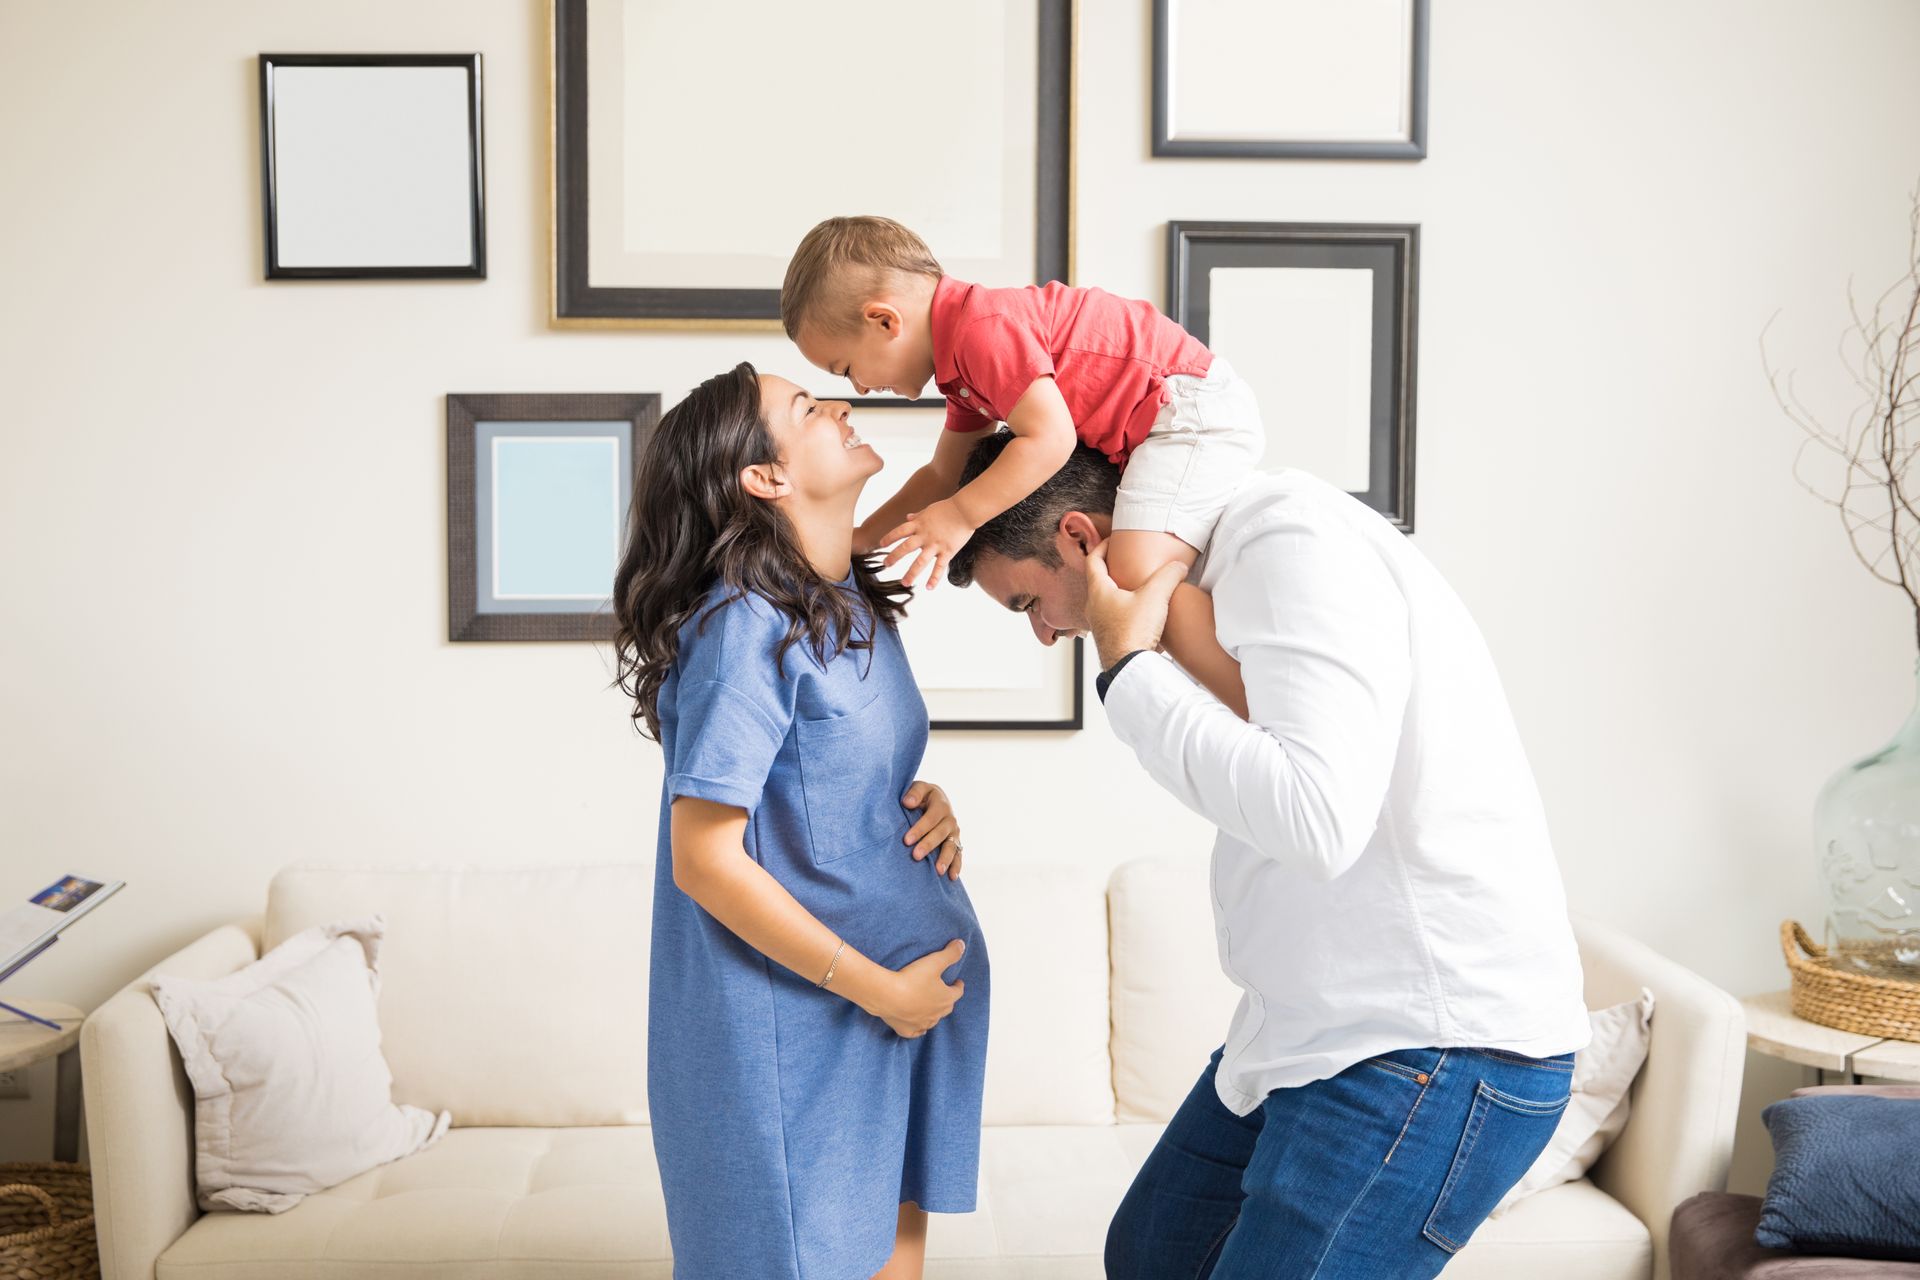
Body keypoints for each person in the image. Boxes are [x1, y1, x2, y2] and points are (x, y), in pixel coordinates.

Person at [947, 434, 1591, 1279]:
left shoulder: (1289, 543)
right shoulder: (1222, 579)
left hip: (1430, 1043)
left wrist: (1128, 670)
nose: (1042, 633)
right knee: (1151, 1254)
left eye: (1027, 601)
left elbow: (1316, 822)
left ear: (1078, 539)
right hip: (1307, 1033)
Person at [611, 364, 990, 1280]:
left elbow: (825, 778)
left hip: (894, 1023)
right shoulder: (741, 625)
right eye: (808, 409)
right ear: (762, 476)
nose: (842, 408)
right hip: (801, 1029)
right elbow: (702, 861)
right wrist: (876, 989)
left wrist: (919, 797)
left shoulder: (852, 604)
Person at [782, 214, 1261, 719]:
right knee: (1140, 574)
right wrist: (861, 538)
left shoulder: (981, 331)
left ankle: (1258, 709)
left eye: (847, 369)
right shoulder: (963, 364)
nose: (857, 389)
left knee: (1134, 576)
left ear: (884, 321)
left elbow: (1051, 438)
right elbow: (942, 475)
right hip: (1163, 423)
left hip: (1185, 410)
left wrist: (961, 516)